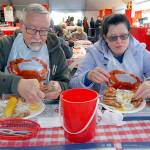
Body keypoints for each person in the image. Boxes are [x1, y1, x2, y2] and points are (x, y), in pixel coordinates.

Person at [0, 4, 70, 103]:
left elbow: (66, 83)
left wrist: (59, 87)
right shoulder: (5, 45)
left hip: (44, 110)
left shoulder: (56, 51)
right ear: (22, 26)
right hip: (8, 110)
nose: (37, 36)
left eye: (43, 30)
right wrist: (16, 84)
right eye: (32, 29)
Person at [70, 14, 150, 100]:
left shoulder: (139, 50)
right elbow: (73, 84)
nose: (119, 41)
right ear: (105, 38)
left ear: (129, 34)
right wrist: (88, 76)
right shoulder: (94, 52)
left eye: (123, 36)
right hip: (106, 107)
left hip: (135, 104)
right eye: (113, 37)